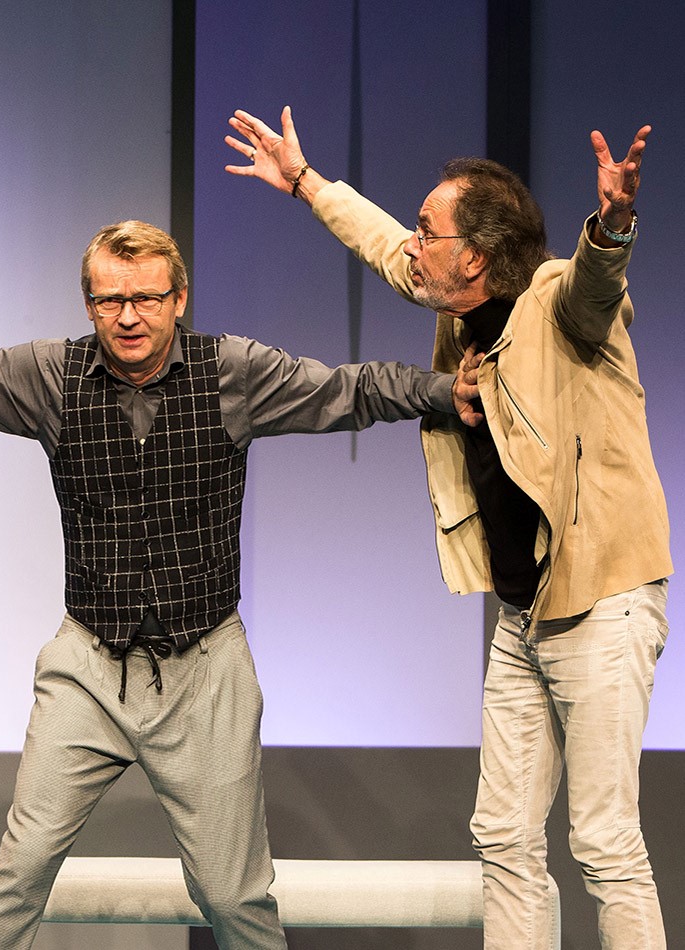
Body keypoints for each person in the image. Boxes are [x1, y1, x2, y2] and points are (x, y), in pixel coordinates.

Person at [0, 218, 478, 949]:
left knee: (232, 896)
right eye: (109, 301)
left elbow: (350, 389)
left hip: (204, 667)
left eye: (146, 298)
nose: (128, 317)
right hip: (89, 664)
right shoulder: (51, 377)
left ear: (178, 299)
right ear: (89, 304)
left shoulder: (231, 372)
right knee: (19, 872)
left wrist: (442, 391)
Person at [225, 106, 672, 949]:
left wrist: (612, 225)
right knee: (502, 837)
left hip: (602, 601)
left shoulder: (555, 300)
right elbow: (381, 244)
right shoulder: (457, 307)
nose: (414, 243)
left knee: (603, 844)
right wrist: (304, 182)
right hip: (524, 612)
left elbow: (594, 282)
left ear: (474, 255)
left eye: (428, 231)